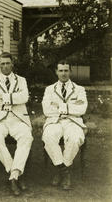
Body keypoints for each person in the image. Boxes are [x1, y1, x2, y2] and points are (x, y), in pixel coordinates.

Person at [0, 52, 33, 196]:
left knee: (26, 137)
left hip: (18, 118)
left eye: (7, 63)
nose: (5, 66)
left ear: (12, 64)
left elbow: (24, 97)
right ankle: (15, 173)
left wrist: (4, 97)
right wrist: (14, 99)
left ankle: (13, 176)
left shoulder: (21, 80)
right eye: (2, 64)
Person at [42, 59, 88, 190]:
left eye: (66, 70)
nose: (63, 73)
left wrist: (60, 107)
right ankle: (64, 171)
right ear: (56, 72)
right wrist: (71, 107)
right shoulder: (49, 89)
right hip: (54, 121)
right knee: (48, 137)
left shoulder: (79, 89)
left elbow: (82, 109)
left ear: (70, 72)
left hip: (73, 122)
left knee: (75, 138)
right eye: (61, 70)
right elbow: (47, 110)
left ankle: (61, 170)